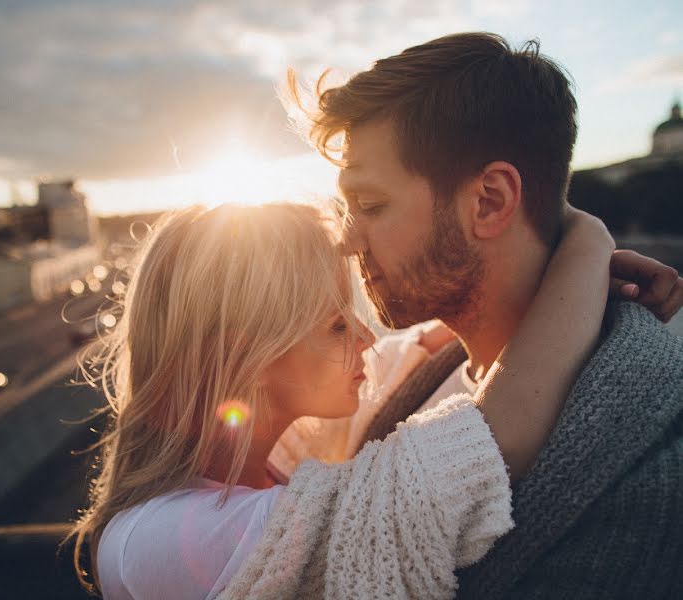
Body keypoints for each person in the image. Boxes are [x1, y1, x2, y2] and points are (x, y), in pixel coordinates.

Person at [66, 200, 677, 599]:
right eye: (336, 325)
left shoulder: (262, 454)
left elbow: (419, 345)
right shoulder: (161, 542)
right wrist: (583, 237)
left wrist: (555, 289)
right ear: (245, 356)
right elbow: (489, 442)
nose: (365, 337)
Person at [276, 32, 683, 598]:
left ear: (490, 201)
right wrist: (584, 239)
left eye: (370, 206)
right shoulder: (423, 367)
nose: (348, 242)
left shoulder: (652, 488)